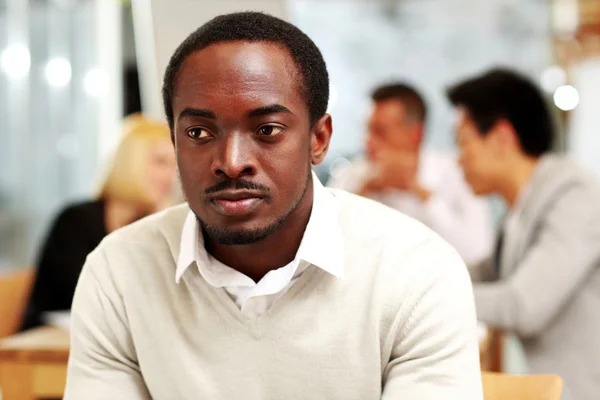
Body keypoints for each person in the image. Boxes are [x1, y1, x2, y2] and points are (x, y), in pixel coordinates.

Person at [64, 12, 482, 399]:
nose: (231, 162)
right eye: (198, 133)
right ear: (174, 142)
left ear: (318, 140)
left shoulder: (416, 275)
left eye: (267, 129)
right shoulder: (119, 272)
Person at [448, 68, 600, 400]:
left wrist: (427, 296)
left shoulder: (575, 195)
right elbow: (484, 272)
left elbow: (523, 305)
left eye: (463, 141)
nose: (458, 159)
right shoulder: (523, 205)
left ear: (502, 137)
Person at [21, 115, 177, 330]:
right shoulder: (76, 220)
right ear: (131, 162)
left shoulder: (152, 224)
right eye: (160, 162)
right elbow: (81, 292)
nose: (170, 176)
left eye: (174, 165)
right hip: (48, 344)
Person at [328, 83, 493, 265]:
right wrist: (364, 190)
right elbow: (321, 244)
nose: (368, 143)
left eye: (380, 132)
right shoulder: (351, 176)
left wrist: (420, 193)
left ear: (416, 134)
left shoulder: (461, 174)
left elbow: (477, 253)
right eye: (367, 130)